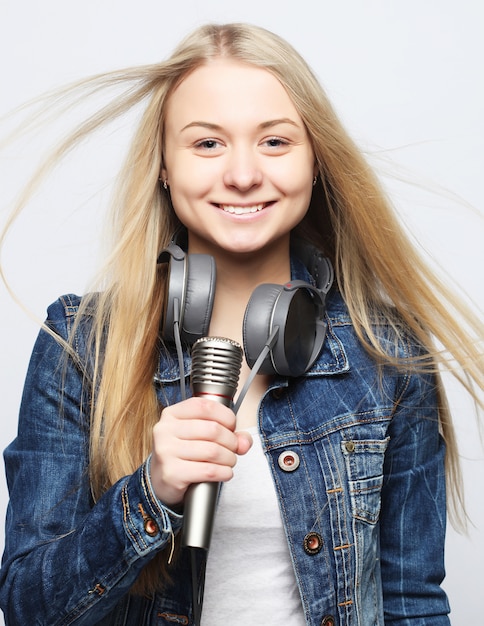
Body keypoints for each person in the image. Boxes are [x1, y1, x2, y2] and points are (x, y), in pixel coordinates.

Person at [0, 22, 482, 626]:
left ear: (315, 162)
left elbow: (412, 603)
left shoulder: (385, 352)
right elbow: (26, 610)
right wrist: (152, 489)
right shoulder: (79, 345)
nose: (244, 174)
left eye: (275, 142)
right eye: (207, 144)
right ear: (164, 167)